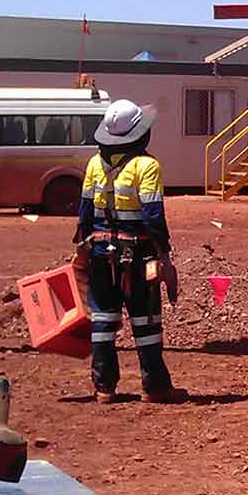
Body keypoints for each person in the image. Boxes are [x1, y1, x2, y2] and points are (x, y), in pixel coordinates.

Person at [74, 99, 188, 403]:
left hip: (101, 252)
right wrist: (165, 257)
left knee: (103, 320)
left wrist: (82, 249)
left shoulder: (94, 163)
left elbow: (85, 212)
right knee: (146, 320)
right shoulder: (146, 166)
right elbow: (153, 216)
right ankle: (155, 386)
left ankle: (104, 388)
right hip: (138, 255)